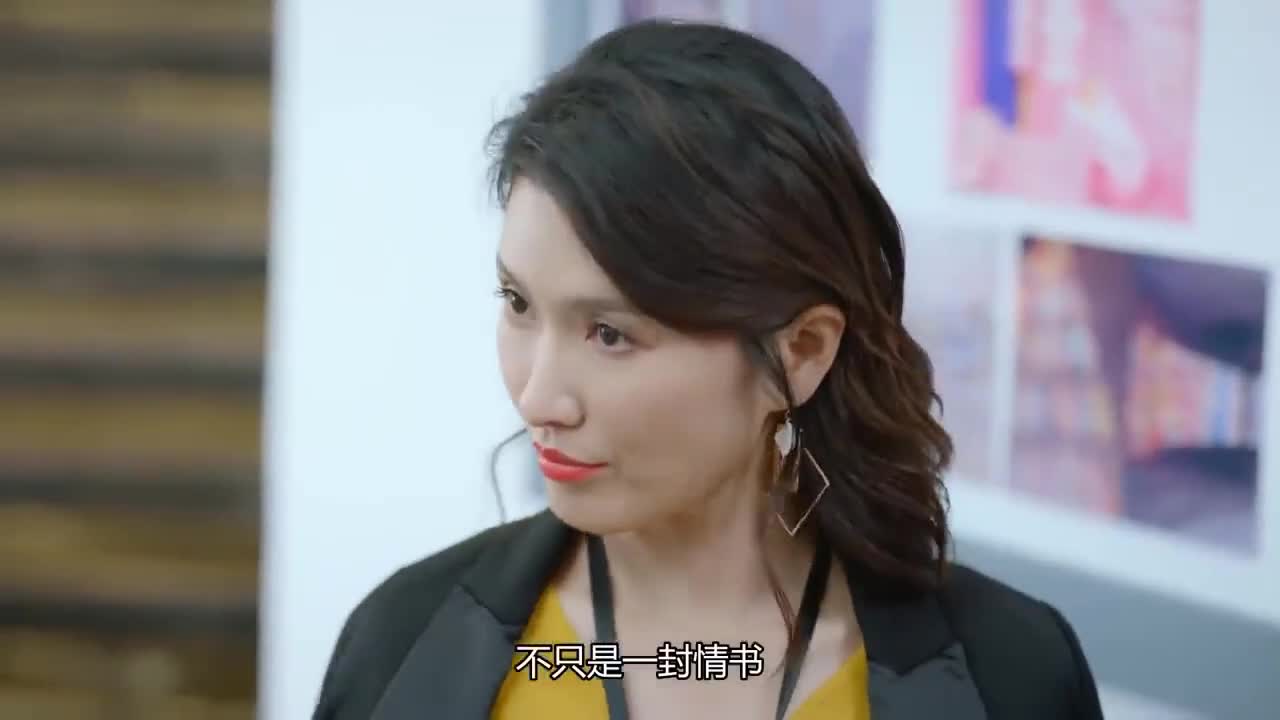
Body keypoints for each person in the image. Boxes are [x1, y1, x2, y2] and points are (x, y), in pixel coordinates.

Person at [312, 20, 1104, 720]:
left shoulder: (1013, 676)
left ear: (801, 351)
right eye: (518, 303)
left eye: (609, 334)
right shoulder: (401, 645)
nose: (538, 396)